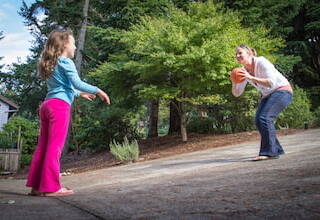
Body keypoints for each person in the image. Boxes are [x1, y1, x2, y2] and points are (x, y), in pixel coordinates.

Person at [26, 28, 110, 196]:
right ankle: (51, 187)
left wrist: (79, 94)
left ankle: (37, 187)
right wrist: (98, 90)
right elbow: (76, 82)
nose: (75, 47)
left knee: (43, 146)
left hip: (47, 105)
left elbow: (62, 87)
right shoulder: (66, 62)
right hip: (59, 107)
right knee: (55, 147)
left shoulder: (53, 62)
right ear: (64, 44)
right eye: (73, 43)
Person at [231, 44, 293, 161]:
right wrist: (234, 81)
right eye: (236, 54)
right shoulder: (242, 71)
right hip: (268, 95)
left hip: (282, 91)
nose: (237, 56)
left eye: (240, 53)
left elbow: (271, 83)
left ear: (249, 54)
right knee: (259, 120)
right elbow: (237, 93)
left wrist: (251, 77)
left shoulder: (261, 62)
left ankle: (269, 152)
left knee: (264, 118)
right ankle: (276, 149)